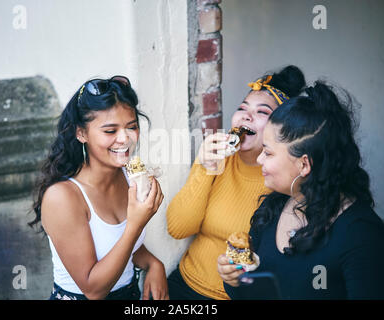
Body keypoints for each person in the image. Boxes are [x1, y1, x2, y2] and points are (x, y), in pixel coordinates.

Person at [218, 81, 384, 299]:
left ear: (304, 165)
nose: (260, 158)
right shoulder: (272, 207)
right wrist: (234, 279)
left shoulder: (360, 235)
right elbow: (252, 292)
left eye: (268, 152)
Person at [166, 66, 306, 299]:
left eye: (262, 112)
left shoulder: (283, 181)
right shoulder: (219, 160)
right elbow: (178, 228)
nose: (245, 116)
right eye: (242, 108)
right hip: (184, 283)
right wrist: (204, 167)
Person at [29, 76, 168, 300]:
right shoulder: (62, 197)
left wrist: (152, 263)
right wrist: (136, 224)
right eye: (110, 131)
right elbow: (93, 289)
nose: (125, 139)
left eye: (131, 127)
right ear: (81, 133)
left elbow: (112, 243)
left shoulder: (129, 176)